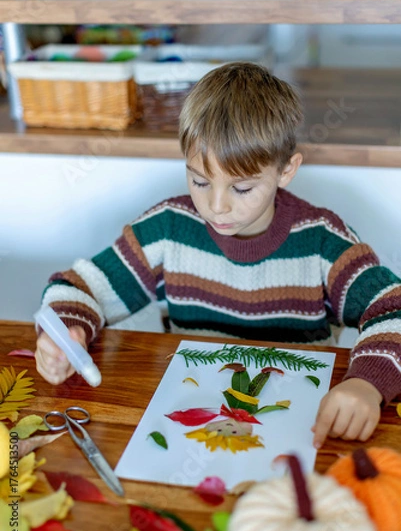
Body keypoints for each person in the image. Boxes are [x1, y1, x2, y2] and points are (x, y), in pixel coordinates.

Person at [35, 62, 401, 449]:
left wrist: (368, 382)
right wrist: (65, 332)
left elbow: (392, 305)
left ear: (286, 170)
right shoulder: (167, 229)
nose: (217, 206)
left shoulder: (323, 242)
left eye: (242, 189)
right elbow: (77, 287)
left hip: (297, 427)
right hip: (190, 421)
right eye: (200, 181)